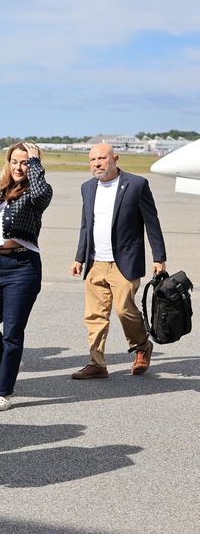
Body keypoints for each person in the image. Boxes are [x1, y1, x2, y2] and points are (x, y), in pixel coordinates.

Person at [70, 143, 165, 379]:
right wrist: (79, 257)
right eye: (92, 160)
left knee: (125, 310)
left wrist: (159, 257)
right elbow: (86, 226)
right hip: (95, 262)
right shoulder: (88, 188)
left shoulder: (136, 184)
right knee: (94, 316)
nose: (97, 164)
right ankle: (97, 363)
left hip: (125, 261)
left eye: (102, 158)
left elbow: (152, 222)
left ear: (115, 159)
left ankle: (142, 346)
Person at [0, 142, 53, 411]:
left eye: (25, 162)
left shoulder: (36, 191)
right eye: (15, 161)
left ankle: (4, 391)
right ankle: (5, 364)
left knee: (12, 332)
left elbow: (43, 194)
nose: (19, 167)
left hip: (22, 267)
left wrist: (35, 163)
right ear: (8, 162)